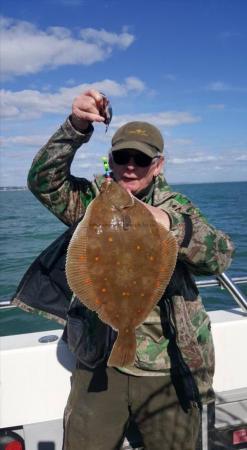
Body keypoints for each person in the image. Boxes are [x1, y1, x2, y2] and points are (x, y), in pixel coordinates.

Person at [25, 89, 234, 450]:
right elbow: (43, 182)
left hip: (168, 366)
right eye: (123, 157)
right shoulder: (93, 202)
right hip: (98, 359)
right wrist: (75, 127)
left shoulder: (176, 207)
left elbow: (221, 256)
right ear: (112, 159)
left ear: (159, 164)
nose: (131, 166)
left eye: (142, 158)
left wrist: (170, 223)